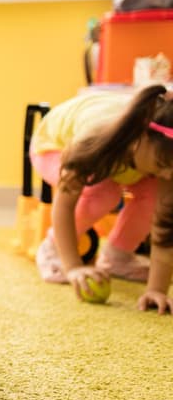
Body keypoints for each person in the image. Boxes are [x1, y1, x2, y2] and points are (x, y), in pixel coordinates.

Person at [31, 85, 173, 306]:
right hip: (54, 147)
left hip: (124, 158)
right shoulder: (93, 138)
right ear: (141, 137)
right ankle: (51, 248)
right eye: (163, 165)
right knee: (103, 193)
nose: (167, 174)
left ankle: (118, 256)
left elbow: (165, 222)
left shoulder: (162, 157)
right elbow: (65, 204)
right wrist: (73, 267)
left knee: (157, 195)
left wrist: (157, 290)